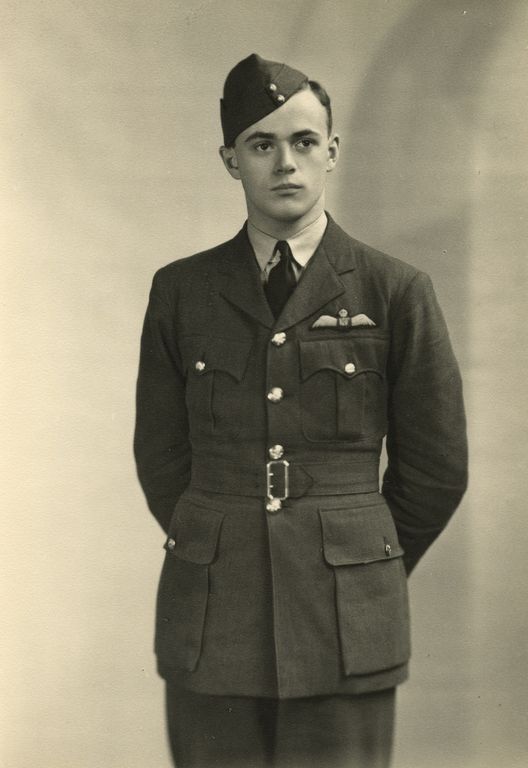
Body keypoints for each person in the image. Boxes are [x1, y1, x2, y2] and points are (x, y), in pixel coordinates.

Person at [134, 53, 468, 768]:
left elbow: (438, 468)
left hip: (346, 626)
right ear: (230, 160)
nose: (286, 163)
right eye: (262, 144)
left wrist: (358, 561)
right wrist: (222, 546)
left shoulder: (394, 291)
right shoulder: (182, 292)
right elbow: (160, 456)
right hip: (213, 618)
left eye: (304, 142)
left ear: (332, 152)